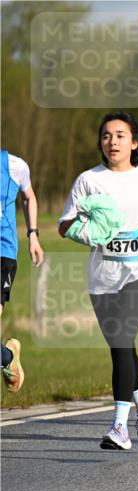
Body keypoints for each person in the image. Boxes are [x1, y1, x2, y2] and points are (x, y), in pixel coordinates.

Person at [58, 111, 138, 449]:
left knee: (124, 338)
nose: (112, 141)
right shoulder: (88, 180)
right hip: (103, 277)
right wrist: (90, 234)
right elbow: (65, 224)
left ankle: (118, 427)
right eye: (107, 135)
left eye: (120, 135)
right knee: (120, 348)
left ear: (134, 142)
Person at [1, 149, 44, 394]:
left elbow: (29, 197)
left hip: (2, 253)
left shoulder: (15, 165)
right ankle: (7, 356)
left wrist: (33, 236)